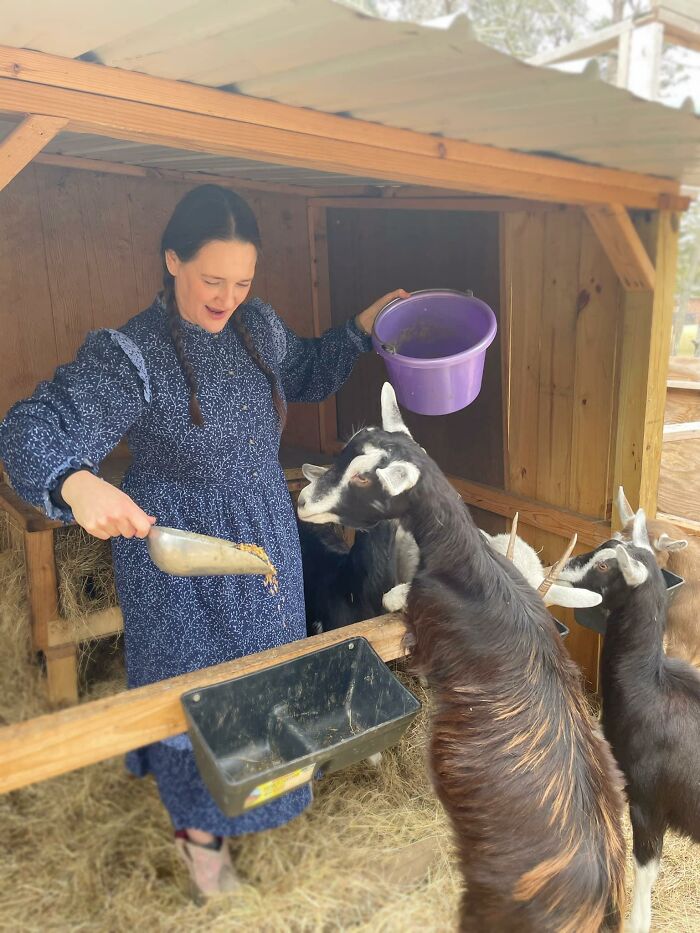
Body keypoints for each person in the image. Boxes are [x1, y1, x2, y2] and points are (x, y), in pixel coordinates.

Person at [0, 184, 408, 901]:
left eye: (242, 282)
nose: (228, 298)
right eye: (212, 280)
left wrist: (360, 328)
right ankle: (202, 844)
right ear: (172, 260)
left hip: (264, 547)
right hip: (181, 564)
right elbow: (30, 428)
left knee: (268, 683)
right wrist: (72, 482)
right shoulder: (133, 354)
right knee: (192, 701)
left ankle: (255, 805)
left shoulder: (259, 329)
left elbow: (307, 368)